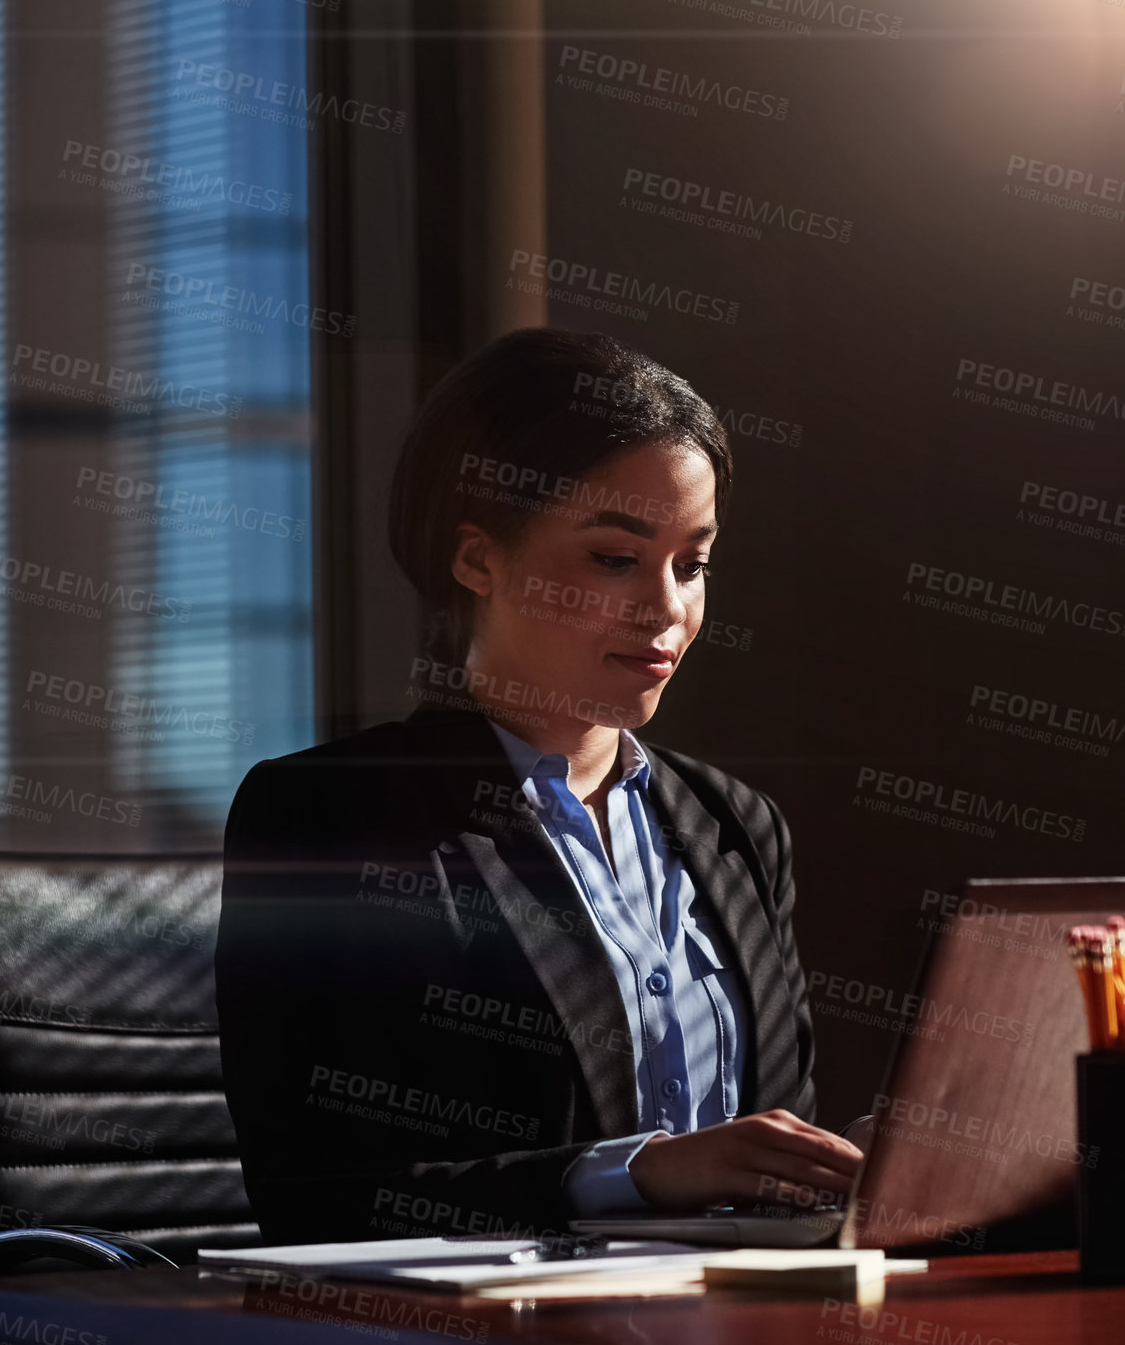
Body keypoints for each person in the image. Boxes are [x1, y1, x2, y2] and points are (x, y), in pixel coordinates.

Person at [214, 327, 862, 1245]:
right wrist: (632, 1176)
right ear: (476, 559)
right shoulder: (334, 816)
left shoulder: (737, 826)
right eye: (614, 558)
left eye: (694, 563)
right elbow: (319, 1192)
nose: (668, 609)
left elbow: (774, 1145)